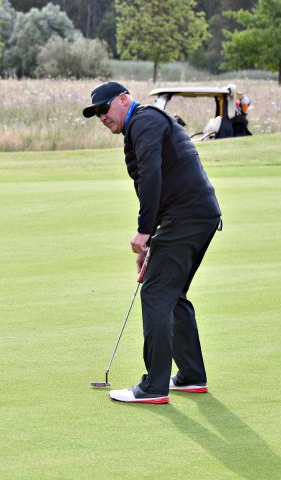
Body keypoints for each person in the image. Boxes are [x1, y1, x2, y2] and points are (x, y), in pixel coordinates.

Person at [83, 81, 222, 404]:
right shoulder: (143, 124)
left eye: (105, 108)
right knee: (172, 294)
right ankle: (190, 376)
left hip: (186, 217)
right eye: (97, 114)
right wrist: (153, 239)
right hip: (197, 215)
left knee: (156, 294)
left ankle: (154, 386)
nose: (102, 117)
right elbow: (159, 183)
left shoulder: (144, 120)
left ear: (123, 99)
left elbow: (151, 174)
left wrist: (144, 231)